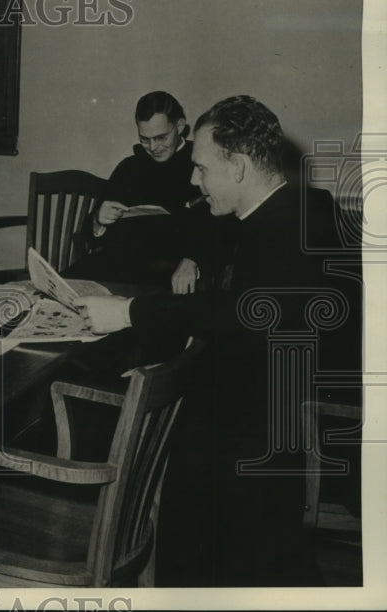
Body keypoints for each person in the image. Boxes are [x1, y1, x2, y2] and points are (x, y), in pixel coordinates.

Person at [74, 95, 361, 586]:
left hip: (272, 431)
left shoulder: (281, 230)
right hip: (277, 401)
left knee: (180, 472)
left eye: (202, 168)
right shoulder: (298, 207)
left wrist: (129, 312)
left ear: (242, 166)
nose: (193, 180)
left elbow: (242, 314)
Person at [66, 91, 226, 291]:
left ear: (180, 126)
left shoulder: (201, 162)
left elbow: (221, 226)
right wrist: (99, 220)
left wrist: (193, 259)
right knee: (60, 289)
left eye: (161, 138)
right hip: (121, 265)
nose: (153, 147)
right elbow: (90, 234)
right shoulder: (129, 167)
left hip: (173, 269)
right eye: (145, 139)